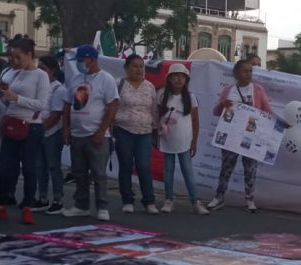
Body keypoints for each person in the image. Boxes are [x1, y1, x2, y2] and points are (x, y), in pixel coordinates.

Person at [0, 37, 50, 224]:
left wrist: (17, 98)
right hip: (11, 121)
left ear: (30, 55)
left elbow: (41, 104)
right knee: (5, 166)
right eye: (12, 56)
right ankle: (1, 204)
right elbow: (4, 100)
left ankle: (28, 205)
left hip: (31, 125)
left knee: (29, 167)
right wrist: (1, 95)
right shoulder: (11, 73)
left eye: (18, 57)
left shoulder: (40, 76)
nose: (14, 61)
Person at [209, 59, 273, 213]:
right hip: (231, 136)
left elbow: (267, 111)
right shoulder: (229, 90)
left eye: (251, 71)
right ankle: (219, 197)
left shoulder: (257, 90)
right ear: (236, 73)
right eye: (245, 71)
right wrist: (222, 105)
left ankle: (249, 199)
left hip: (250, 136)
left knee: (250, 169)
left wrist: (280, 124)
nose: (249, 74)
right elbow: (216, 112)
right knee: (226, 168)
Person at [64, 45, 119, 221]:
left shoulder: (106, 79)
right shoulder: (75, 79)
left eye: (81, 60)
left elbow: (113, 105)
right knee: (79, 172)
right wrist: (66, 128)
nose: (79, 64)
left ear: (92, 59)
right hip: (77, 134)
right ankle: (81, 206)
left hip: (97, 135)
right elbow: (67, 104)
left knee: (99, 173)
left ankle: (102, 207)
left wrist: (102, 130)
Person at [157, 64, 208, 215]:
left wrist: (194, 142)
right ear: (169, 79)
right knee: (168, 171)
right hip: (167, 140)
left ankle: (195, 202)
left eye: (182, 77)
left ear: (186, 80)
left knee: (187, 171)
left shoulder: (190, 98)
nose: (179, 79)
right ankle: (169, 200)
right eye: (176, 76)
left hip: (185, 141)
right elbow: (158, 117)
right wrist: (158, 137)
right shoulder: (162, 96)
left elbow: (196, 122)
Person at [115, 54, 159, 214]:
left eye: (141, 66)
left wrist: (156, 130)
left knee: (143, 166)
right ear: (127, 68)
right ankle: (127, 200)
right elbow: (112, 107)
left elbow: (154, 110)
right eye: (134, 66)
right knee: (125, 165)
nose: (139, 69)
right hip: (123, 131)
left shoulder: (149, 86)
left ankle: (149, 201)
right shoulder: (119, 84)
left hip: (145, 132)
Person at [39, 54, 68, 214]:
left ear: (52, 71)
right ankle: (42, 197)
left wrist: (41, 128)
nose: (40, 72)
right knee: (39, 166)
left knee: (53, 165)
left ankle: (58, 198)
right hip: (38, 131)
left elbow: (56, 114)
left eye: (43, 69)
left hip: (52, 132)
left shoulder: (58, 89)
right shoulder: (39, 86)